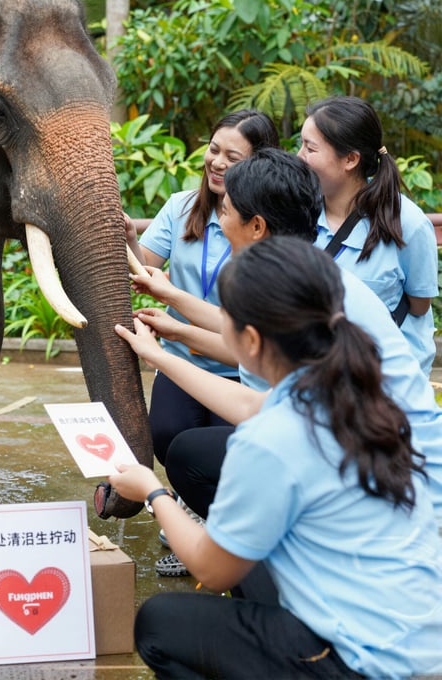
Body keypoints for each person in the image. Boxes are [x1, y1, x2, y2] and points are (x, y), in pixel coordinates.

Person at [109, 236, 442, 679]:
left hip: (365, 661)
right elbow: (254, 407)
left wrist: (152, 493)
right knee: (257, 556)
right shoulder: (359, 392)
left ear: (249, 340)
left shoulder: (269, 438)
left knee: (159, 622)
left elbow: (212, 568)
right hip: (423, 639)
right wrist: (158, 351)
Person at [114, 149, 442, 581]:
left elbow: (253, 404)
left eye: (226, 211)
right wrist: (174, 314)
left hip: (384, 469)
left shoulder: (300, 295)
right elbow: (242, 339)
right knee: (197, 449)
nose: (219, 217)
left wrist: (153, 492)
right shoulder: (307, 274)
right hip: (372, 452)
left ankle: (271, 565)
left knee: (196, 460)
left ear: (256, 226)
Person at [125, 110, 279, 467]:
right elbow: (145, 271)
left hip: (239, 369)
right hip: (181, 359)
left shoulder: (268, 228)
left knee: (231, 452)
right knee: (165, 435)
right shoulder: (180, 207)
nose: (218, 163)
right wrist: (130, 238)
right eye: (214, 150)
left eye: (233, 157)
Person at [299, 96, 438, 375]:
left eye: (310, 148)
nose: (299, 156)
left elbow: (419, 305)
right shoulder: (299, 210)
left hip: (385, 380)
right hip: (318, 374)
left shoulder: (406, 222)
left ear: (350, 159)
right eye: (300, 144)